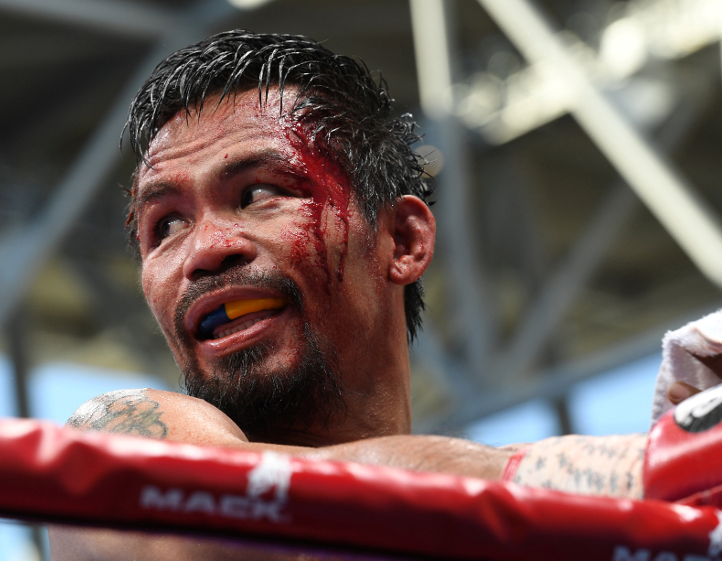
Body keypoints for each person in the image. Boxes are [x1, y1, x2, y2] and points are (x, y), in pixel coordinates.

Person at [47, 30, 697, 560]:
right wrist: (642, 475)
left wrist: (688, 501)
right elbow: (213, 517)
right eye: (166, 225)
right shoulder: (115, 440)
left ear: (403, 240)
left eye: (256, 194)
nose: (205, 249)